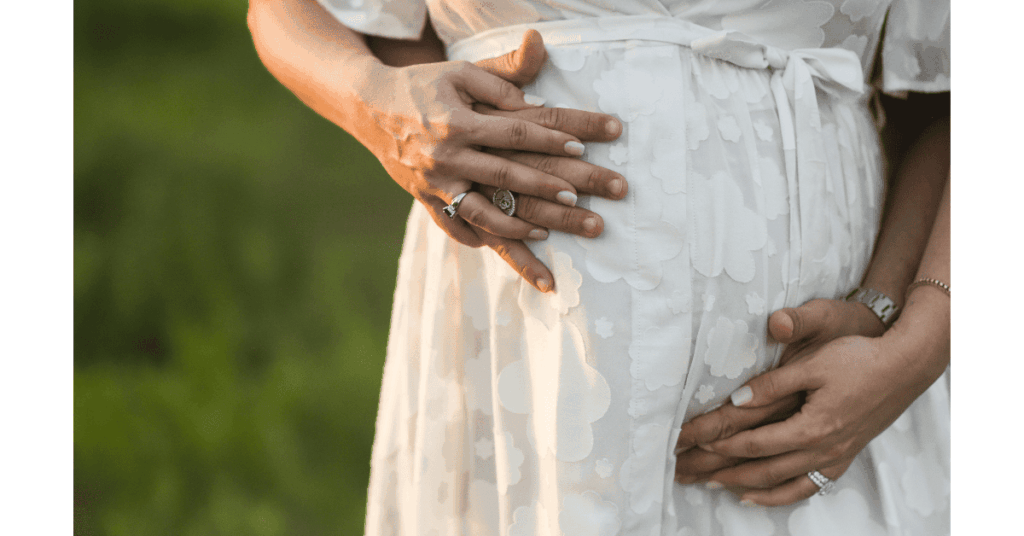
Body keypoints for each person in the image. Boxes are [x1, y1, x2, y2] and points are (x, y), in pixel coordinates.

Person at [247, 0, 950, 534]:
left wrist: (914, 341)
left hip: (837, 393)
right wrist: (377, 102)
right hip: (526, 355)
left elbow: (963, 93)